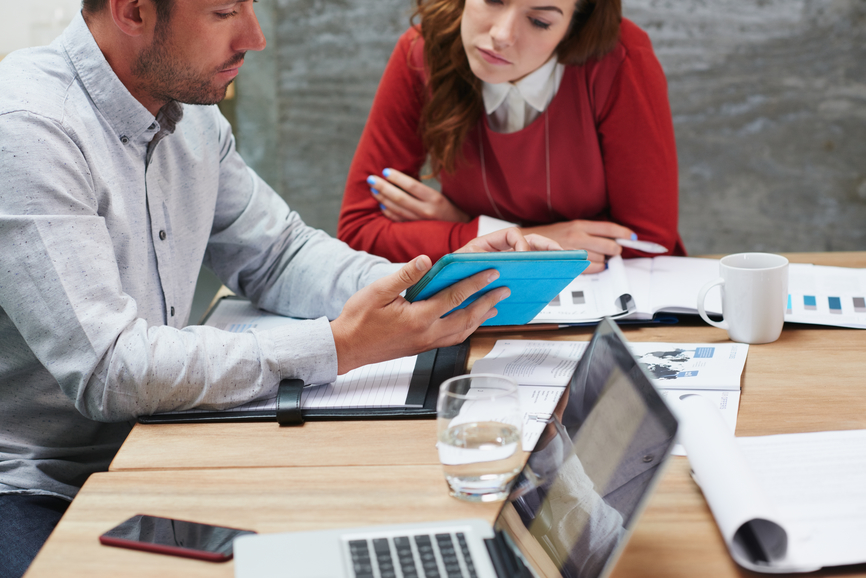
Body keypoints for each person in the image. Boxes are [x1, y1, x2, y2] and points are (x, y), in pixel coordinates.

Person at [0, 1, 558, 575]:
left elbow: (278, 254)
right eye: (224, 13)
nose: (256, 37)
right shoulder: (28, 130)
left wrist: (429, 284)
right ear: (133, 12)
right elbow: (110, 369)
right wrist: (341, 346)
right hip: (34, 485)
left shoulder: (190, 113)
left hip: (159, 442)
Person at [337, 0, 686, 272]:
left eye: (539, 21)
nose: (501, 35)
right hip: (479, 308)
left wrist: (460, 227)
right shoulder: (421, 51)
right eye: (492, 0)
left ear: (574, 26)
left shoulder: (619, 59)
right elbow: (359, 231)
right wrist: (519, 239)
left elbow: (648, 242)